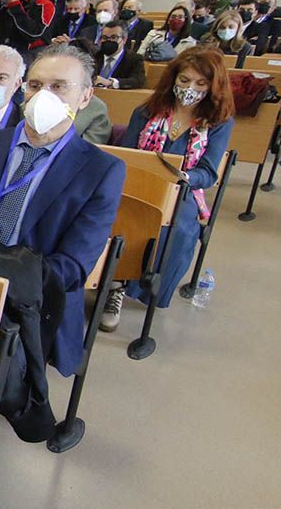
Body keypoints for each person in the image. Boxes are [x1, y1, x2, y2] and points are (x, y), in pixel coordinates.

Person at [0, 43, 125, 381]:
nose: (43, 96)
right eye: (35, 86)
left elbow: (72, 266)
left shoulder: (101, 170)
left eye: (58, 87)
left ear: (85, 97)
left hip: (26, 299)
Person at [101, 48, 235, 330]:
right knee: (122, 215)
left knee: (181, 230)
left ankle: (145, 287)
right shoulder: (147, 110)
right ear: (173, 78)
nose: (190, 88)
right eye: (185, 80)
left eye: (200, 84)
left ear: (213, 86)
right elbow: (127, 154)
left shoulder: (219, 122)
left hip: (182, 189)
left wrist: (182, 176)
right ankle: (115, 283)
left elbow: (209, 172)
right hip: (139, 181)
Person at [94, 20, 147, 90]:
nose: (109, 41)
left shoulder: (134, 59)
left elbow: (138, 81)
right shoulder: (94, 56)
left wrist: (111, 83)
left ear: (124, 39)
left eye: (114, 37)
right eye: (104, 38)